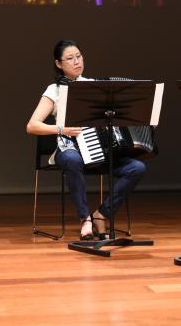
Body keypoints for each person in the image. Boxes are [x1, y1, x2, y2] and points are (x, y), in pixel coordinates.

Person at [26, 39, 147, 240]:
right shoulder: (54, 90)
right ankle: (85, 219)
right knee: (73, 160)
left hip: (100, 151)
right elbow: (32, 126)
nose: (76, 62)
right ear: (58, 64)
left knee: (137, 168)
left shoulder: (96, 86)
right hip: (70, 148)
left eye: (79, 56)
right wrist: (62, 128)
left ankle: (102, 214)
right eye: (70, 58)